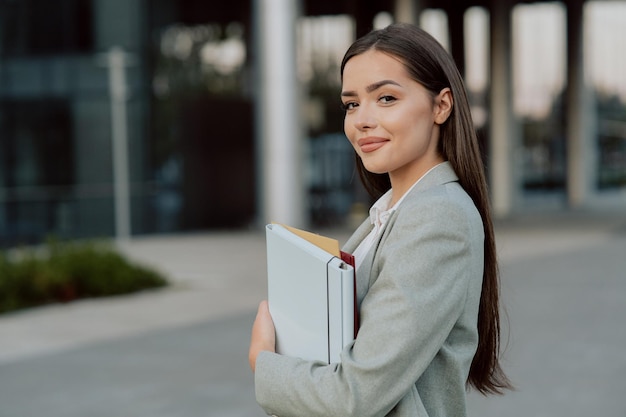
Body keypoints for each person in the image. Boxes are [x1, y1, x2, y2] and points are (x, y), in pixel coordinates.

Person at [249, 22, 512, 416]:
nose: (362, 120)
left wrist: (263, 361)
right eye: (351, 104)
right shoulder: (392, 211)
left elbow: (355, 395)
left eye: (386, 98)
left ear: (441, 105)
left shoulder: (437, 218)